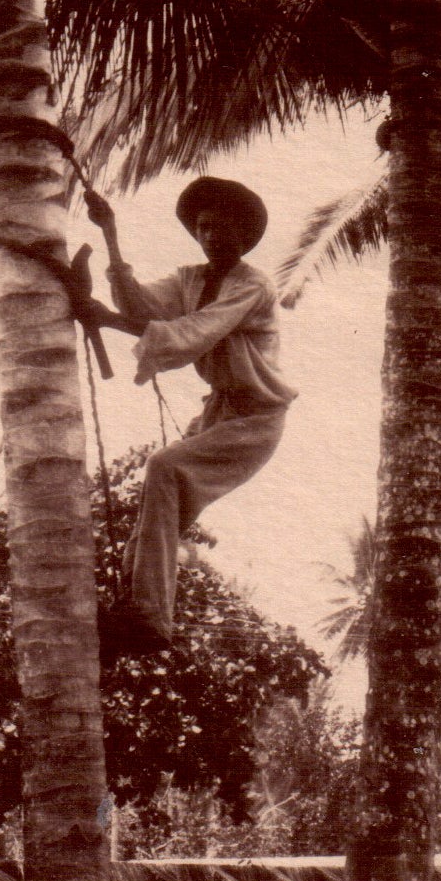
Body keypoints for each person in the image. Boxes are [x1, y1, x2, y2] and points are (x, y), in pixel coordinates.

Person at [79, 176, 297, 655]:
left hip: (256, 419)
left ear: (243, 236)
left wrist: (104, 317)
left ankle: (151, 618)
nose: (212, 236)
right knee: (162, 509)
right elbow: (139, 307)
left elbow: (193, 333)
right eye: (204, 228)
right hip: (220, 411)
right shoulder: (189, 280)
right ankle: (132, 614)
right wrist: (110, 233)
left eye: (223, 228)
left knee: (164, 467)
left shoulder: (252, 286)